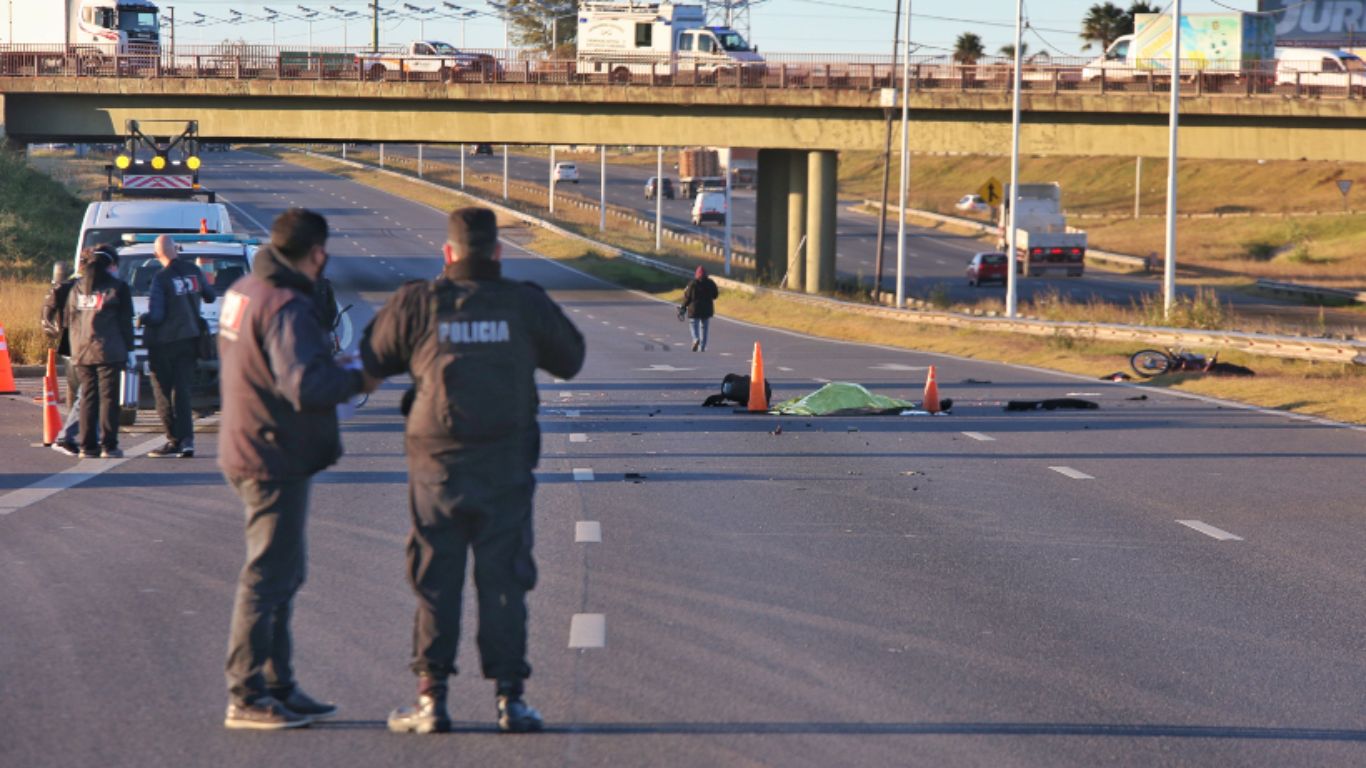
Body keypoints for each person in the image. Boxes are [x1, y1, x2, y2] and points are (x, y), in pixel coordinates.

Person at [361, 207, 585, 735]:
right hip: (505, 467)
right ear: (498, 254)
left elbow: (371, 358)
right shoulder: (524, 303)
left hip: (436, 469)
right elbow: (571, 359)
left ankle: (430, 700)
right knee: (503, 582)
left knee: (435, 580)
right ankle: (511, 700)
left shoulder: (419, 302)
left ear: (448, 254)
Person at [217, 208, 379, 731]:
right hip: (273, 453)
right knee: (267, 576)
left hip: (251, 443)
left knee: (285, 572)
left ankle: (279, 685)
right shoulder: (288, 305)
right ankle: (246, 694)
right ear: (317, 254)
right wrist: (361, 375)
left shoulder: (245, 289)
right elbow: (306, 386)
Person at [142, 235, 216, 458]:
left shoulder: (161, 278)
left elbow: (157, 315)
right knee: (182, 392)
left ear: (157, 255)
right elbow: (210, 296)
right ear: (175, 249)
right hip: (191, 341)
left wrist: (143, 318)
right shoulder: (194, 271)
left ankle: (173, 439)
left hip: (165, 344)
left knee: (163, 393)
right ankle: (187, 441)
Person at [64, 245, 133, 459]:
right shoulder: (117, 287)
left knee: (88, 397)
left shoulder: (77, 288)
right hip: (109, 350)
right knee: (109, 399)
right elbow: (125, 322)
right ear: (110, 265)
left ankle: (87, 445)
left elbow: (69, 319)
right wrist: (129, 349)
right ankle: (109, 445)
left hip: (82, 350)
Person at [41, 260, 86, 455]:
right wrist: (54, 329)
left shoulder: (88, 287)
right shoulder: (70, 287)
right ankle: (68, 436)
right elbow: (47, 311)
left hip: (81, 345)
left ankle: (85, 436)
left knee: (85, 392)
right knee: (85, 391)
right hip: (76, 346)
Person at [680, 265, 719, 352]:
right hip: (706, 310)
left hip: (694, 309)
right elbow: (715, 295)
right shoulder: (711, 283)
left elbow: (687, 297)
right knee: (704, 328)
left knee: (693, 325)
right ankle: (702, 347)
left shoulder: (692, 284)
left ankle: (695, 339)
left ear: (696, 274)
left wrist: (683, 307)